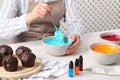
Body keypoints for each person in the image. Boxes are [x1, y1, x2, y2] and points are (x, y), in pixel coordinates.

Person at [0, 0, 83, 54]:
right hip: (22, 51)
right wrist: (30, 16)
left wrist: (75, 34)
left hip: (53, 50)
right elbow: (2, 29)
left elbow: (74, 21)